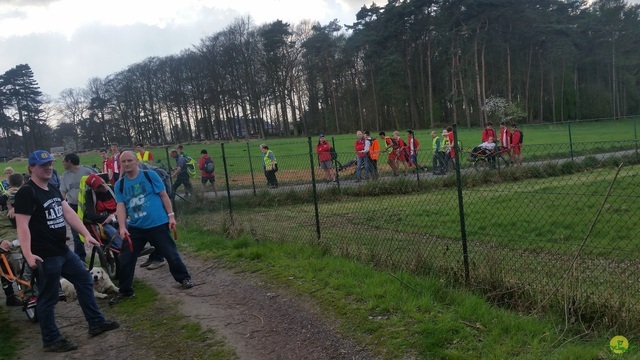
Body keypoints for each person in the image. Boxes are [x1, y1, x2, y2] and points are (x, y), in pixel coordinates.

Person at [14, 150, 119, 352]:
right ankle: (51, 340)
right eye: (42, 164)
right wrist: (27, 253)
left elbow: (68, 212)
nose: (48, 167)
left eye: (50, 163)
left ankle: (96, 323)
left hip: (62, 250)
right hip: (44, 254)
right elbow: (22, 226)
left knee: (85, 280)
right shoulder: (27, 192)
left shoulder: (51, 187)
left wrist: (85, 234)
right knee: (48, 297)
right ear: (31, 168)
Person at [110, 151, 194, 306]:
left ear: (136, 161)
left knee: (170, 253)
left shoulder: (150, 176)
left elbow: (163, 195)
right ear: (120, 164)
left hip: (157, 224)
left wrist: (171, 216)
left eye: (130, 160)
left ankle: (184, 278)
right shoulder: (119, 185)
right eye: (123, 161)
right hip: (135, 228)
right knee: (126, 258)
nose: (127, 164)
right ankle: (125, 291)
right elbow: (120, 206)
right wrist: (122, 227)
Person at [59, 153, 97, 262]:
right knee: (77, 236)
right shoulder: (65, 176)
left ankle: (104, 253)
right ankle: (80, 259)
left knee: (97, 232)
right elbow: (62, 193)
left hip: (90, 208)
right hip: (74, 208)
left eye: (64, 161)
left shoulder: (88, 171)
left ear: (69, 161)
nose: (63, 164)